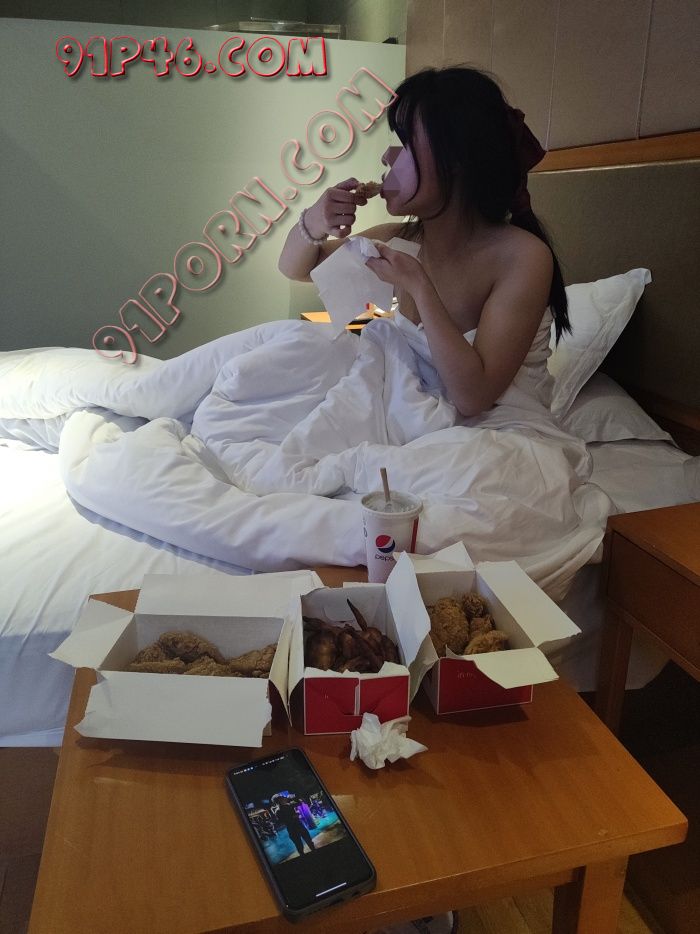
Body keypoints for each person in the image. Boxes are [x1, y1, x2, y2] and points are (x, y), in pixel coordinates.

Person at [278, 65, 570, 422]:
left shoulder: (523, 257)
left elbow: (473, 398)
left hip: (497, 428)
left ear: (457, 158)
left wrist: (418, 284)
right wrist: (314, 221)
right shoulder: (402, 238)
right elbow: (296, 268)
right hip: (417, 412)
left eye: (406, 145)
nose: (387, 157)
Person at [272, 793, 316, 857]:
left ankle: (313, 851)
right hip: (292, 829)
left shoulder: (289, 805)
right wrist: (292, 817)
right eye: (282, 798)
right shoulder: (278, 811)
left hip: (299, 826)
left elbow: (300, 803)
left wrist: (294, 797)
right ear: (279, 801)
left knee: (309, 841)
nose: (284, 798)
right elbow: (282, 821)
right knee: (299, 845)